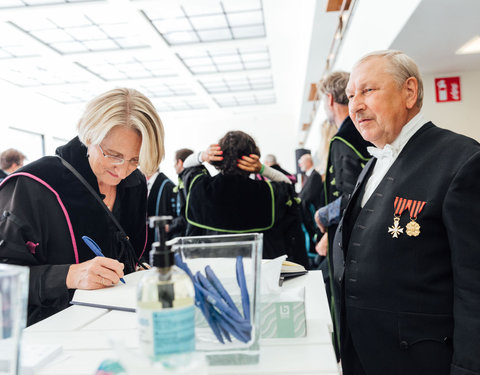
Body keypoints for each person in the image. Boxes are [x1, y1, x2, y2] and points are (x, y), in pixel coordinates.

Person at [332, 50, 480, 375]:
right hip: (363, 354)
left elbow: (475, 284)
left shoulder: (462, 161)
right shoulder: (373, 163)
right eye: (351, 95)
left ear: (409, 92)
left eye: (368, 91)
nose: (355, 105)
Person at [0, 88, 165, 325]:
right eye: (112, 154)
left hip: (119, 324)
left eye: (134, 160)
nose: (121, 170)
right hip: (49, 333)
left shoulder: (135, 183)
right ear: (89, 136)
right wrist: (67, 276)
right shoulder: (32, 185)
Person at [181, 131, 309, 267]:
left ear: (218, 158)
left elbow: (186, 165)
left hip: (213, 272)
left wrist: (202, 156)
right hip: (258, 273)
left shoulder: (200, 188)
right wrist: (262, 169)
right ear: (253, 158)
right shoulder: (268, 192)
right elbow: (287, 184)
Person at [313, 71, 371, 354]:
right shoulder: (361, 133)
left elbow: (352, 197)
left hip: (351, 240)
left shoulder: (343, 139)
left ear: (328, 99)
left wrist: (325, 217)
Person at [297, 153, 324, 257]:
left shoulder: (315, 175)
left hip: (313, 214)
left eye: (301, 162)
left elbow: (309, 196)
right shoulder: (309, 176)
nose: (300, 165)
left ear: (308, 162)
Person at [146, 168, 176, 249]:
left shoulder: (167, 185)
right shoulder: (142, 184)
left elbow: (177, 215)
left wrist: (169, 227)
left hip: (161, 240)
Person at [167, 148, 193, 239]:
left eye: (175, 162)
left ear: (180, 162)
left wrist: (170, 227)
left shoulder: (187, 181)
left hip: (188, 236)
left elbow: (186, 215)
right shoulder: (192, 178)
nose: (174, 165)